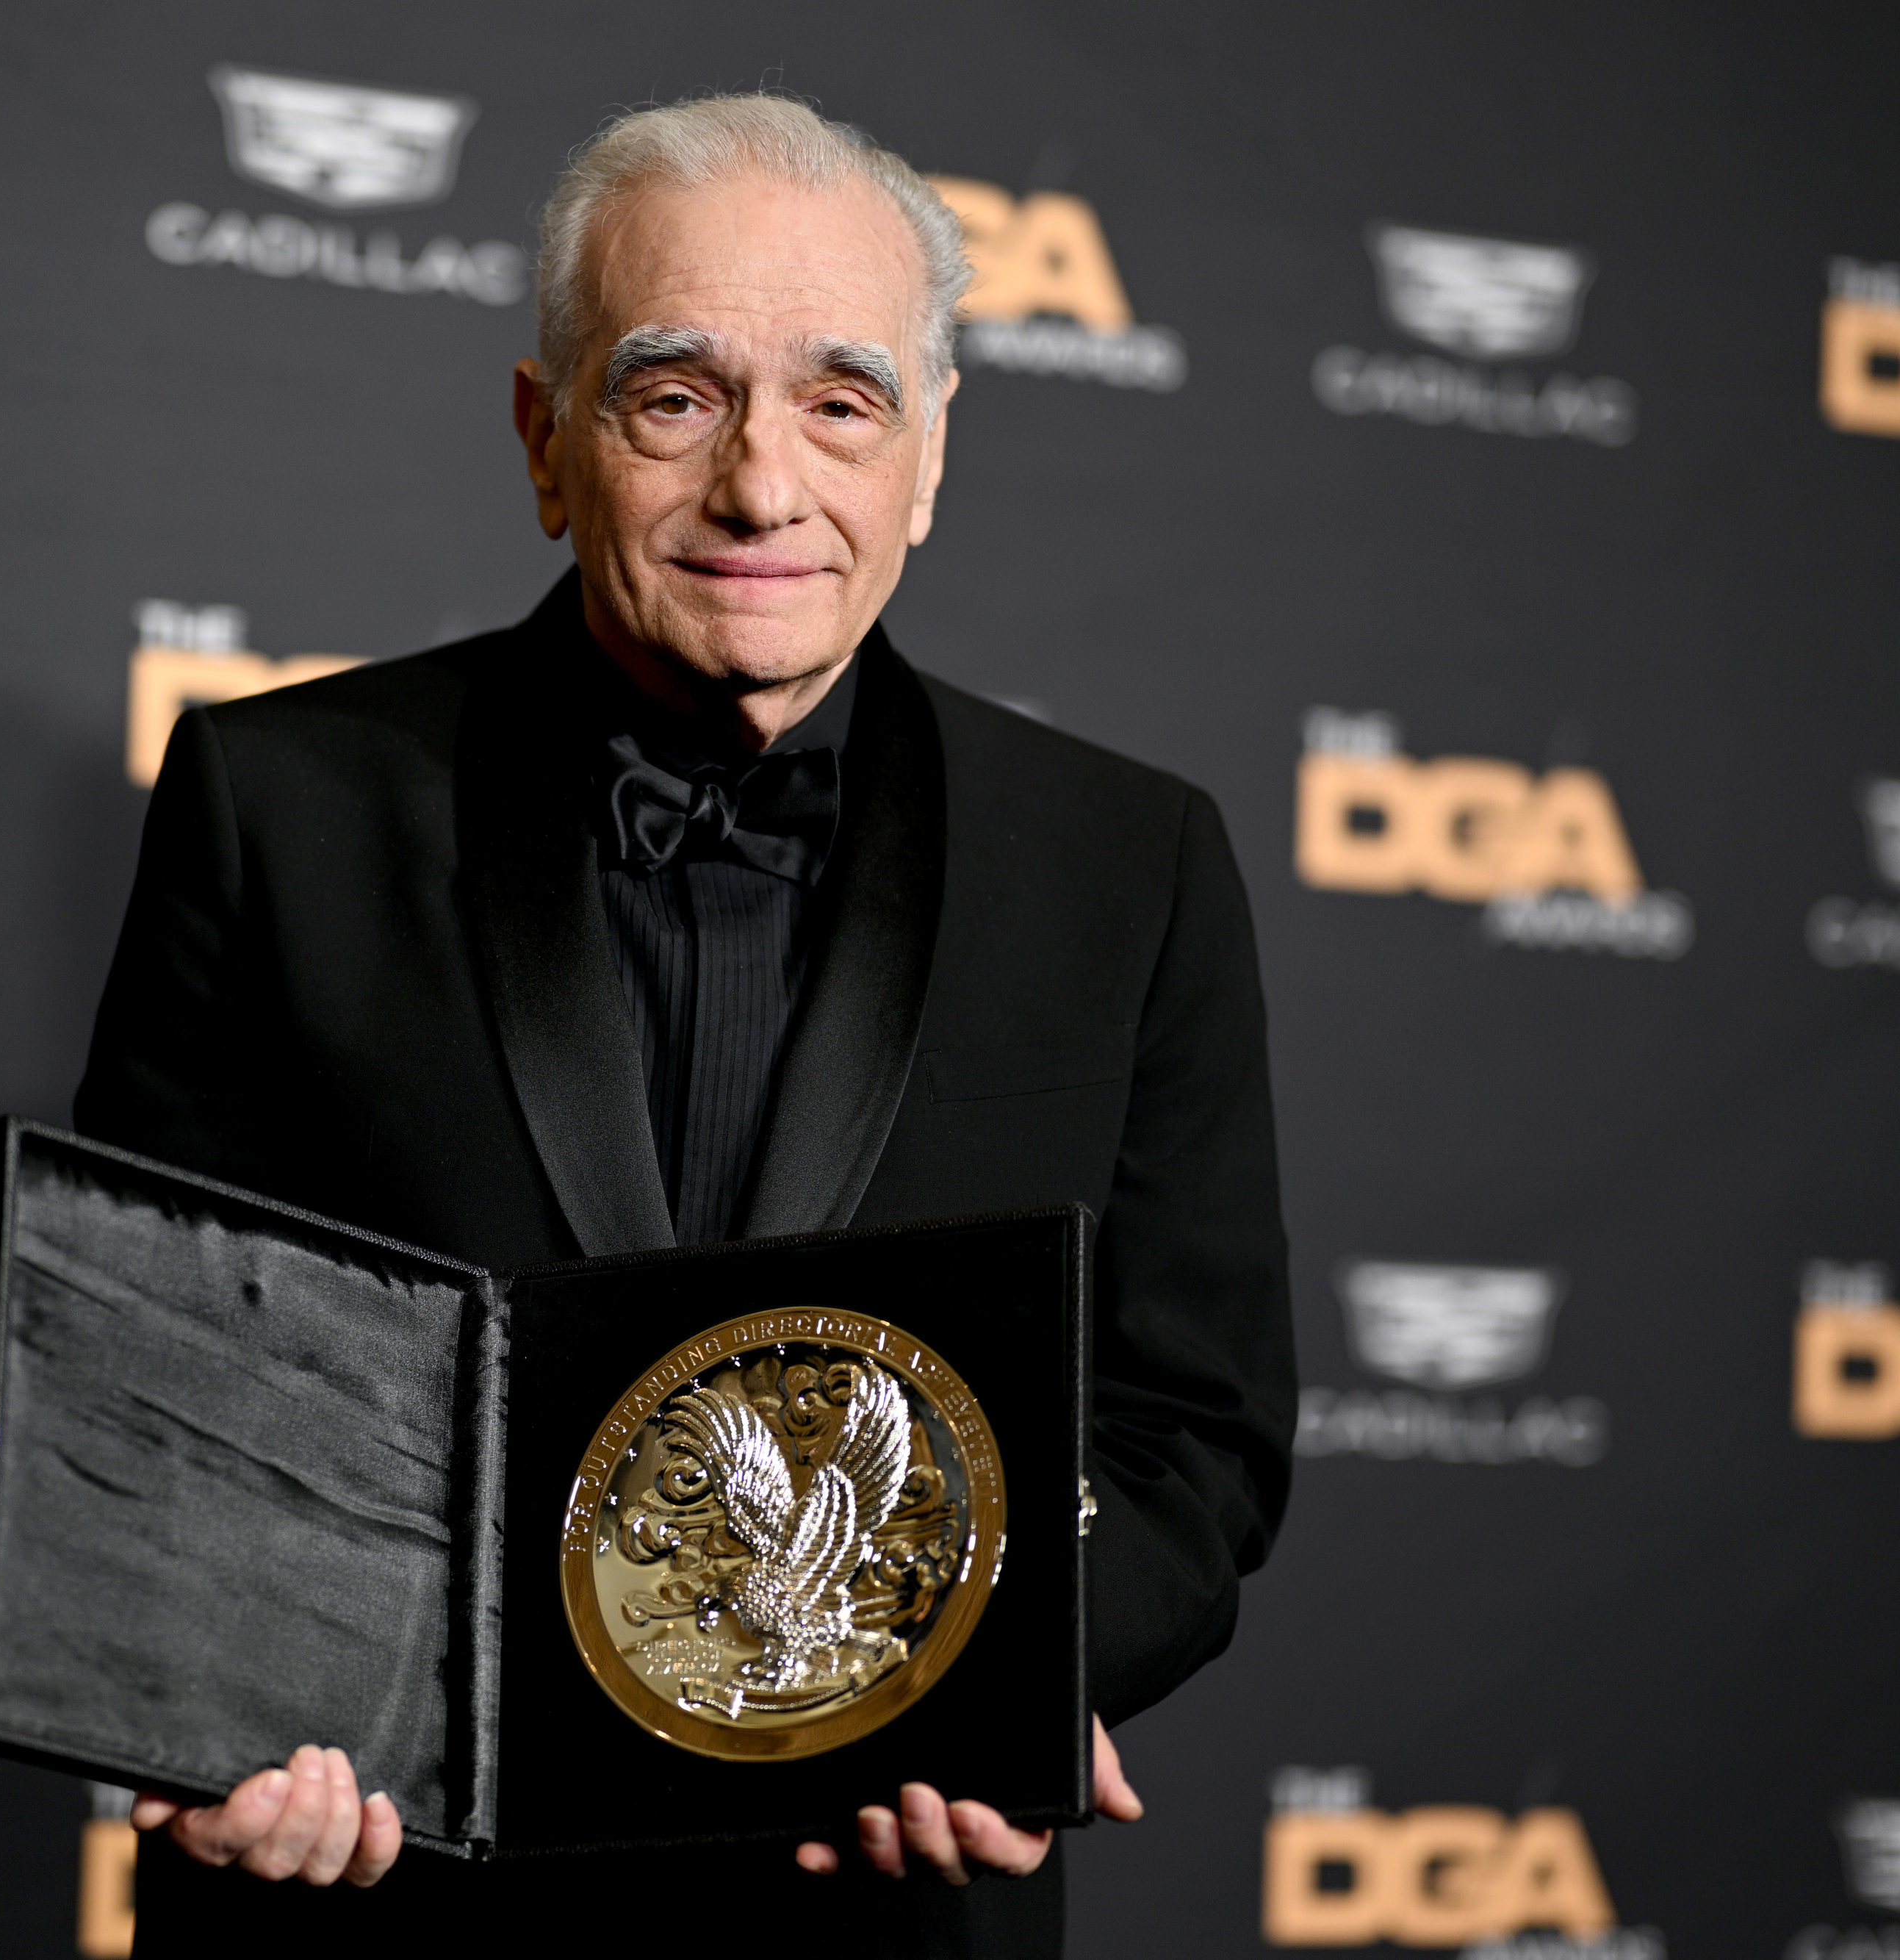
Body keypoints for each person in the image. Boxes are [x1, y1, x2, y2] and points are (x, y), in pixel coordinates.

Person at [74, 91, 1293, 1957]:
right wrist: (216, 1709)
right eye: (673, 396)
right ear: (543, 436)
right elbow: (144, 1375)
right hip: (383, 1903)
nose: (760, 487)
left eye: (841, 398)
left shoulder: (1133, 863)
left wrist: (992, 1674)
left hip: (876, 1909)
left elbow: (1187, 1434)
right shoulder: (280, 801)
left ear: (931, 453)